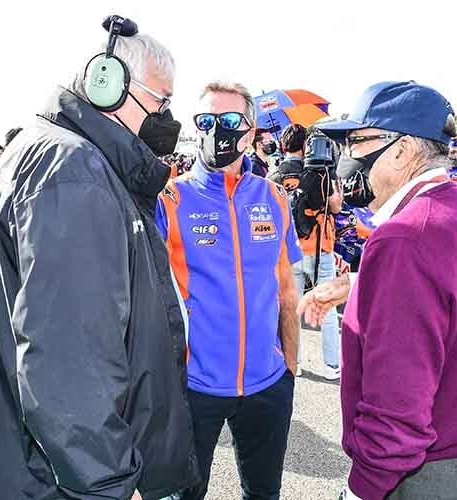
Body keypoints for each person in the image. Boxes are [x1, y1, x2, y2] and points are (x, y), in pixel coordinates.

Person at [0, 17, 199, 500]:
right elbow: (68, 365)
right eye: (162, 101)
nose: (168, 118)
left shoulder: (58, 156)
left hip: (28, 471)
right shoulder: (74, 173)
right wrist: (110, 483)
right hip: (52, 483)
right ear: (109, 85)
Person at [302, 81, 457, 500]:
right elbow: (455, 301)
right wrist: (359, 284)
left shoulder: (405, 236)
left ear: (401, 150)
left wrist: (362, 488)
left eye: (358, 142)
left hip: (429, 475)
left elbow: (397, 403)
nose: (349, 157)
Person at [156, 81, 302, 500]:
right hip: (195, 387)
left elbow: (287, 291)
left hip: (267, 385)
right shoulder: (170, 198)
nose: (217, 129)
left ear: (252, 130)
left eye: (230, 120)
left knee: (263, 495)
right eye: (207, 120)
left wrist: (289, 369)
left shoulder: (273, 196)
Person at [278, 123, 344, 380]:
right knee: (324, 304)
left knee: (292, 307)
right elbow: (336, 207)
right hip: (320, 247)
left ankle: (295, 362)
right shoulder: (319, 173)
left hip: (290, 248)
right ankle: (331, 365)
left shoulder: (275, 175)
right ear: (305, 144)